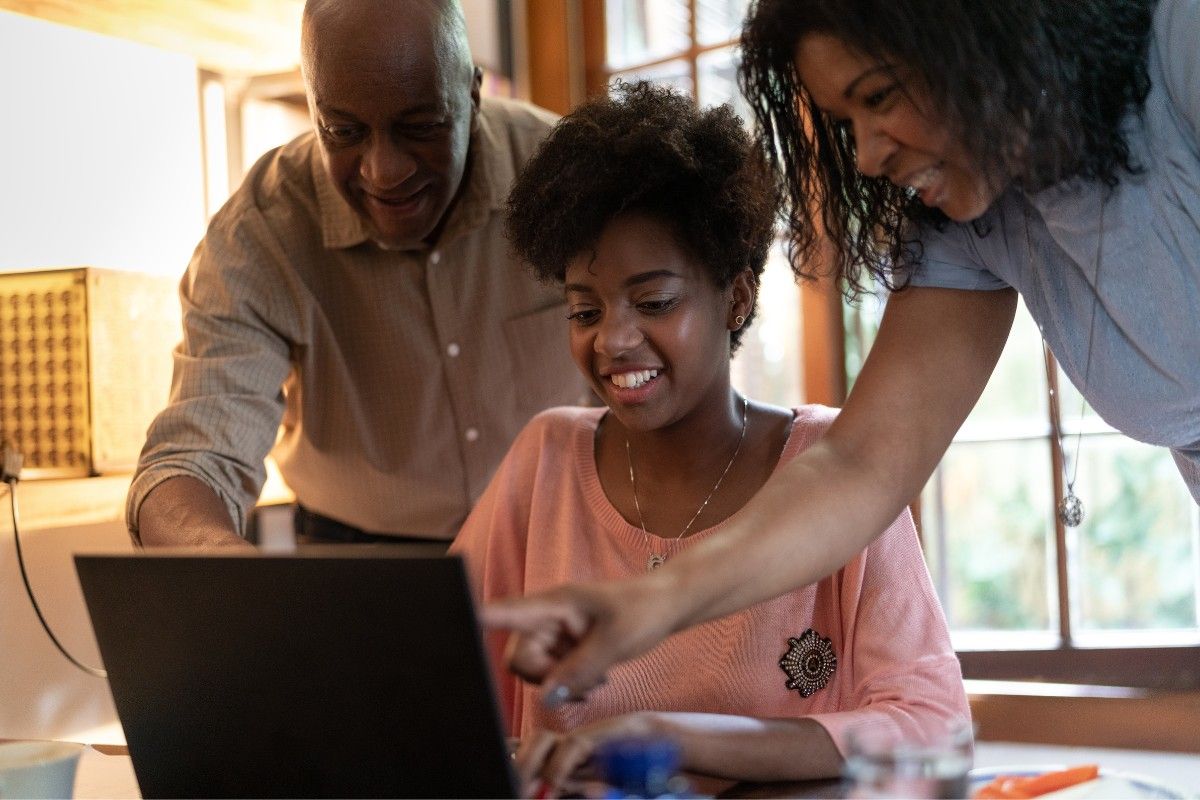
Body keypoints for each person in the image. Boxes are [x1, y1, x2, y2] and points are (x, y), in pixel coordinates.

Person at [484, 0, 1199, 703]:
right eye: (844, 122)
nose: (866, 154)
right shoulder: (971, 223)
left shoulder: (1180, 47)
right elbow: (861, 465)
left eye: (879, 96)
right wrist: (652, 602)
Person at [451, 82, 970, 796]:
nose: (614, 339)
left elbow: (934, 725)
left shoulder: (837, 470)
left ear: (737, 297)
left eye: (654, 302)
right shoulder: (546, 462)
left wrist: (669, 738)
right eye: (584, 311)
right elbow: (425, 688)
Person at [127, 0, 589, 547]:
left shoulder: (567, 177)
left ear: (473, 92)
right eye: (343, 132)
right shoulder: (261, 233)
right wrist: (219, 560)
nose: (383, 171)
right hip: (357, 552)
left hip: (561, 534)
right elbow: (195, 455)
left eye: (420, 126)